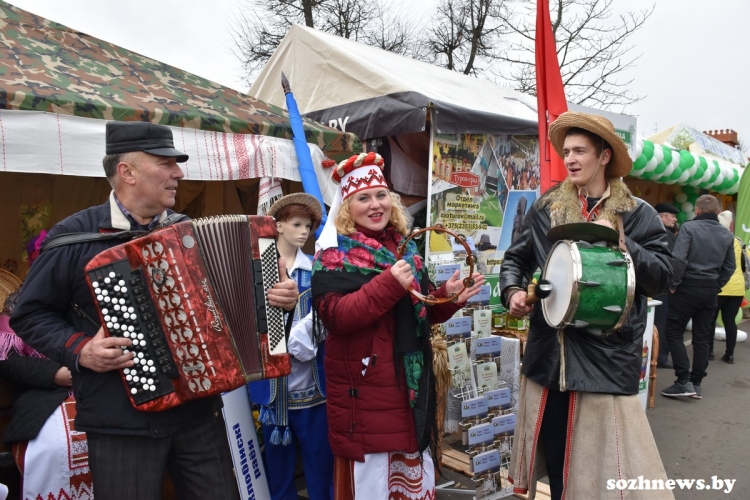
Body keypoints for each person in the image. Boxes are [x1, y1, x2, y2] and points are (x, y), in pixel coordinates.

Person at [9, 122, 299, 500]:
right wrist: (80, 349)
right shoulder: (74, 237)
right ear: (127, 172)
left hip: (198, 415)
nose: (179, 172)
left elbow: (243, 308)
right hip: (119, 421)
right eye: (165, 163)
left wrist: (277, 301)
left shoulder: (189, 232)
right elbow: (29, 314)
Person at [499, 112, 673, 500]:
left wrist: (628, 245)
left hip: (606, 362)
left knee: (602, 473)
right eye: (566, 152)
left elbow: (663, 277)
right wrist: (511, 291)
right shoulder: (547, 207)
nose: (571, 159)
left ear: (604, 156)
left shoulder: (637, 213)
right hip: (552, 358)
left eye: (580, 151)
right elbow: (516, 259)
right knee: (561, 470)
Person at [312, 152, 484, 500]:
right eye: (363, 198)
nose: (376, 205)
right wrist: (390, 283)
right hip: (366, 396)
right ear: (347, 206)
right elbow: (337, 317)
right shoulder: (333, 254)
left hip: (409, 390)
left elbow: (417, 314)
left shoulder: (405, 247)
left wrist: (447, 296)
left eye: (381, 195)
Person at [248, 193, 334, 500]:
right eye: (296, 224)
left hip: (311, 383)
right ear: (278, 225)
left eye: (308, 226)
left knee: (319, 460)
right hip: (273, 390)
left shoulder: (316, 272)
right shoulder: (257, 272)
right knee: (277, 467)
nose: (303, 232)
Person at [1, 281, 94, 500]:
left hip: (93, 392)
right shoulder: (16, 309)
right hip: (43, 397)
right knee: (55, 448)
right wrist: (55, 374)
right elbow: (8, 362)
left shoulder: (85, 304)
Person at [662, 195, 734, 400]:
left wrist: (674, 284)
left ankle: (683, 380)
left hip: (687, 286)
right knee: (703, 337)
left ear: (698, 210)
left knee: (674, 332)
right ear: (718, 212)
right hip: (710, 289)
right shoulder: (726, 234)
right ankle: (696, 383)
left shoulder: (689, 228)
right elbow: (730, 266)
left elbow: (679, 258)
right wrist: (717, 284)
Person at [708, 210, 746, 365]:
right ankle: (729, 354)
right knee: (730, 321)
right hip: (738, 288)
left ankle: (709, 351)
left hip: (720, 286)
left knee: (710, 320)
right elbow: (746, 263)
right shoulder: (739, 241)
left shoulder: (716, 239)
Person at [653, 202, 680, 368]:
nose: (675, 219)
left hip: (655, 286)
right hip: (662, 288)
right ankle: (660, 357)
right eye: (672, 216)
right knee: (661, 323)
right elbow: (673, 262)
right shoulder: (665, 235)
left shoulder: (654, 232)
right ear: (662, 216)